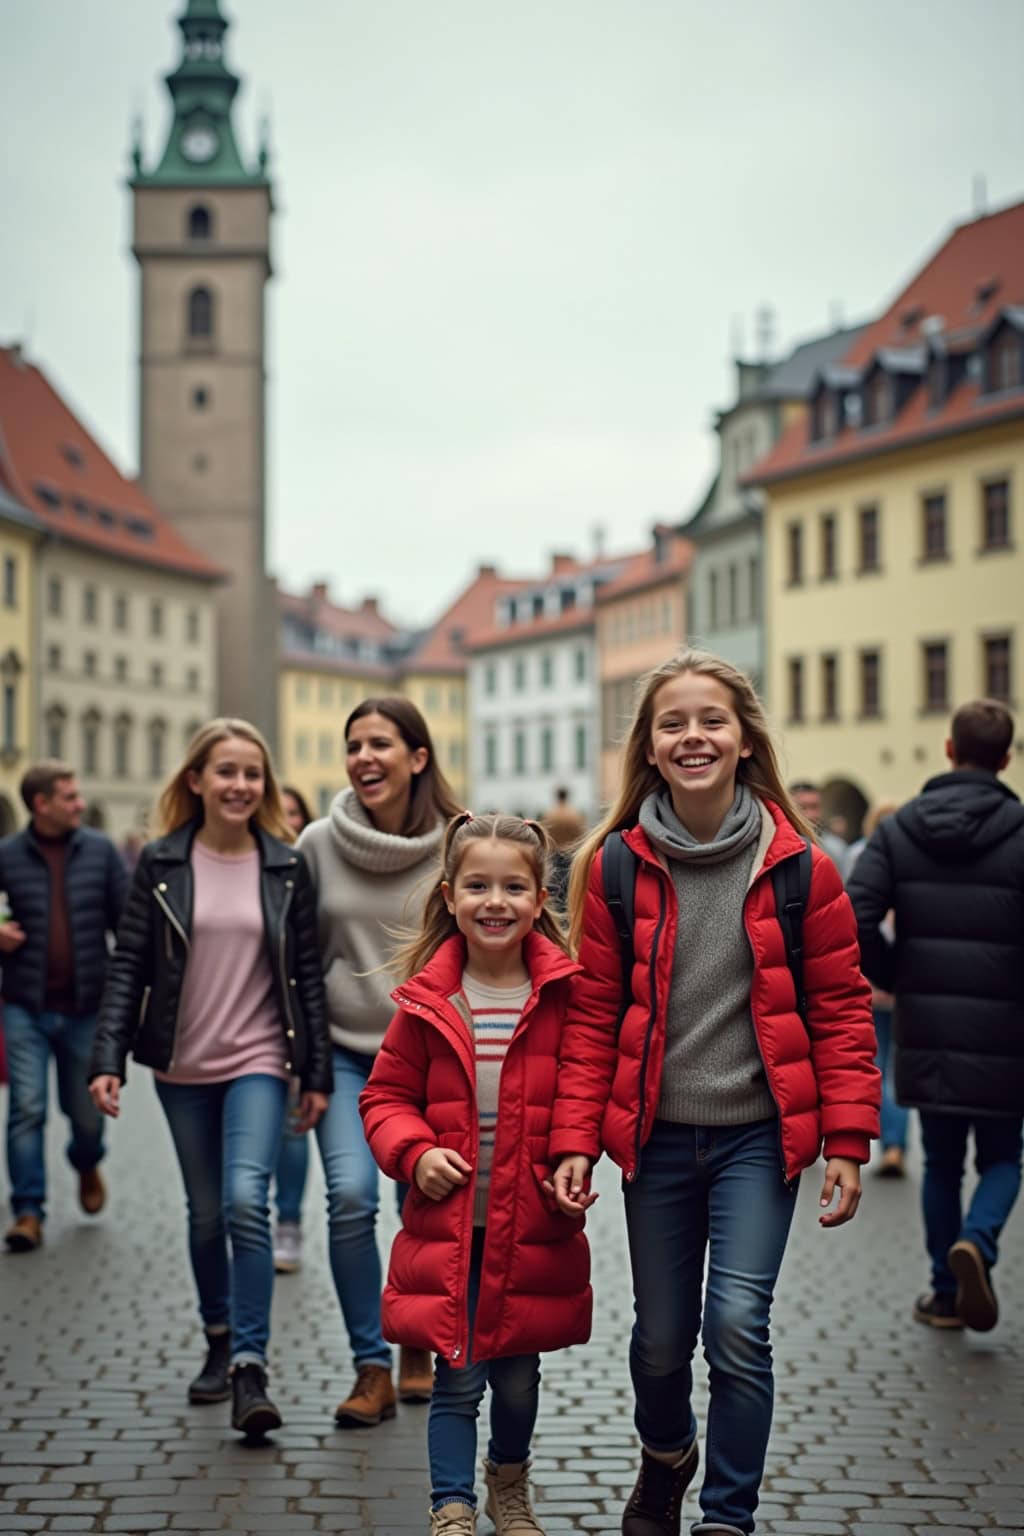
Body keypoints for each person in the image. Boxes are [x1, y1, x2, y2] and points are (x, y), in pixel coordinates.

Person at [549, 649, 880, 1536]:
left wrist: (847, 1141)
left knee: (736, 1324)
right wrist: (576, 1140)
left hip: (755, 1140)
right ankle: (666, 1458)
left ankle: (727, 1516)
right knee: (660, 1343)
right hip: (655, 1141)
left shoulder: (803, 868)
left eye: (712, 720)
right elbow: (589, 1022)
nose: (693, 735)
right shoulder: (616, 867)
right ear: (650, 750)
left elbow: (842, 1010)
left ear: (743, 741)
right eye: (673, 723)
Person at [88, 720, 332, 1437]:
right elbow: (128, 962)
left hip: (259, 1057)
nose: (240, 785)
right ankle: (219, 1334)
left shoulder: (285, 865)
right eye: (225, 772)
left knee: (241, 1200)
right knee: (203, 1213)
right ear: (195, 780)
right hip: (181, 1063)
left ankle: (250, 1366)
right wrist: (107, 1059)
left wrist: (312, 1071)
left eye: (252, 773)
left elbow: (307, 979)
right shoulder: (162, 862)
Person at [360, 812, 591, 1536]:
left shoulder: (563, 995)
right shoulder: (429, 1002)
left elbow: (585, 1089)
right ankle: (452, 1504)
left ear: (539, 900)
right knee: (457, 1378)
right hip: (453, 1227)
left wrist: (574, 1156)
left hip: (533, 1228)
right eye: (479, 886)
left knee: (518, 1384)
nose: (497, 902)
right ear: (451, 895)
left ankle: (509, 1485)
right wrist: (415, 1151)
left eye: (515, 887)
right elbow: (386, 1097)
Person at [298, 696, 463, 1426]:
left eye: (381, 744)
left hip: (433, 1060)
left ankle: (416, 1345)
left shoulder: (458, 843)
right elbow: (298, 957)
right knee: (351, 1198)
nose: (364, 758)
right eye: (353, 744)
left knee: (423, 1206)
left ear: (418, 758)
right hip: (341, 1054)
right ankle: (372, 1366)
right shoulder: (314, 844)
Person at [848, 700, 1024, 1333]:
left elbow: (855, 915)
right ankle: (978, 1240)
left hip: (928, 1022)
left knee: (942, 1161)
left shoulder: (899, 830)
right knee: (1004, 1157)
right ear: (1005, 758)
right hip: (1009, 1030)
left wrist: (896, 975)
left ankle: (945, 1293)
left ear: (948, 750)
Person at [0, 760, 127, 1253]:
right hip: (24, 1004)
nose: (79, 804)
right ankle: (28, 1211)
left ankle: (86, 1160)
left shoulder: (100, 851)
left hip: (86, 1008)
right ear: (41, 804)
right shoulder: (7, 855)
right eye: (69, 797)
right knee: (26, 1108)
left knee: (86, 1115)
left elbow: (127, 928)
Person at [847, 800, 908, 1178]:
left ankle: (890, 1143)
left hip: (870, 977)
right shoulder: (916, 855)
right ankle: (896, 1144)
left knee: (878, 1064)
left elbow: (852, 913)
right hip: (903, 978)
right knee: (896, 1067)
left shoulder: (860, 857)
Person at [272, 782, 316, 1274]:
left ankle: (287, 1221)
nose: (287, 824)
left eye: (294, 813)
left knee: (292, 1126)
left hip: (303, 1018)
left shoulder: (310, 867)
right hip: (265, 1020)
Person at [788, 780, 851, 879]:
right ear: (789, 809)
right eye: (803, 807)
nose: (811, 815)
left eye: (815, 807)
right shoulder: (779, 847)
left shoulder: (837, 848)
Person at [541, 786, 586, 913]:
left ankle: (558, 909)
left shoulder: (550, 814)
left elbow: (546, 834)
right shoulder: (574, 814)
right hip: (570, 853)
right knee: (570, 883)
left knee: (555, 883)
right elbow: (581, 835)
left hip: (554, 852)